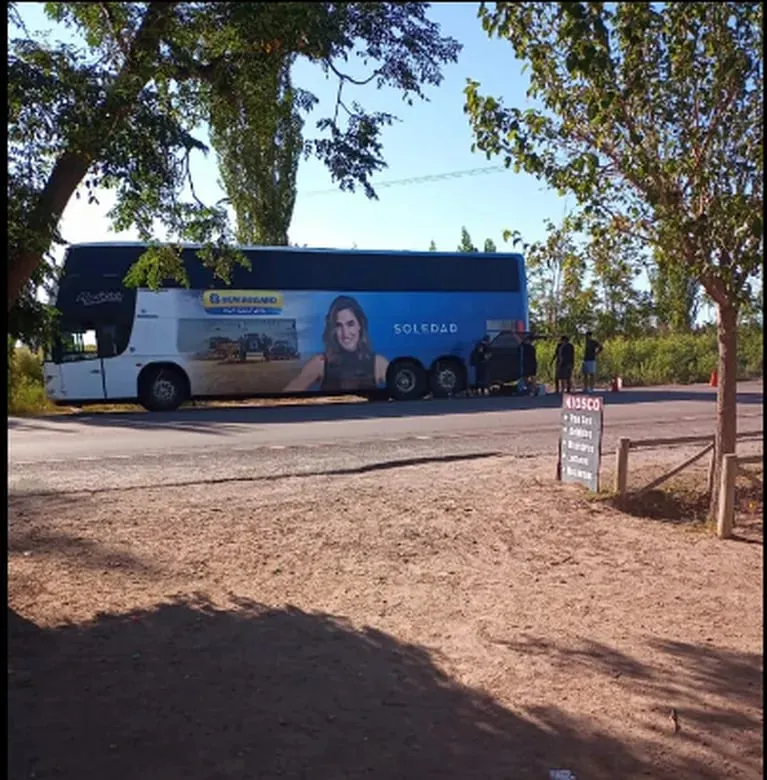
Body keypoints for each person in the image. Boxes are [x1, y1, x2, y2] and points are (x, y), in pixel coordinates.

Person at [283, 295, 389, 392]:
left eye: (350, 324)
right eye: (339, 326)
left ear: (360, 325)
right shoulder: (320, 363)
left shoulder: (378, 363)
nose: (345, 333)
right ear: (333, 330)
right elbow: (286, 395)